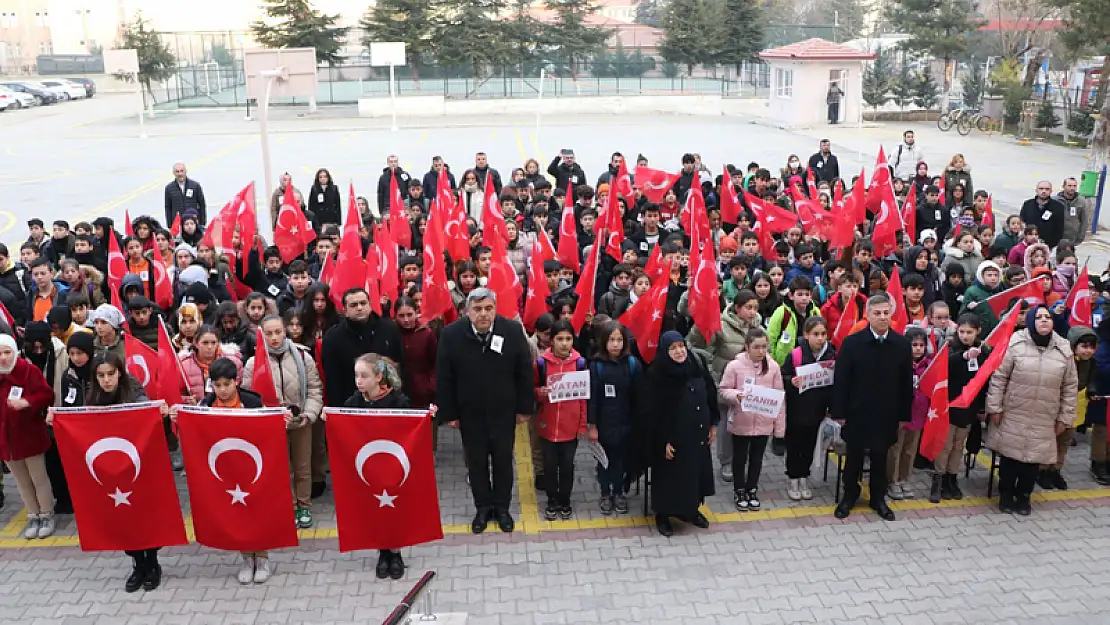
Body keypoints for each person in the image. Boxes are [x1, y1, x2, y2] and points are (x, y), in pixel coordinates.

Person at [437, 289, 533, 533]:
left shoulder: (511, 331)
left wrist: (524, 408)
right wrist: (450, 414)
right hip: (470, 415)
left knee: (503, 462)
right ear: (467, 311)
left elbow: (524, 372)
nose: (483, 314)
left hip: (504, 412)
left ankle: (502, 508)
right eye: (477, 309)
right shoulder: (451, 334)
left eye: (488, 308)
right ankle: (483, 507)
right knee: (476, 463)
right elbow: (445, 377)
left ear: (495, 309)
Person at [69, 352, 163, 591]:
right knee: (121, 518)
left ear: (120, 372)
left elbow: (147, 413)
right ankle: (137, 564)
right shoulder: (91, 399)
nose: (106, 380)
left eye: (111, 374)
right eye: (101, 375)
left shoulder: (134, 392)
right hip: (110, 472)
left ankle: (152, 563)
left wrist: (157, 411)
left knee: (143, 515)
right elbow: (79, 424)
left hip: (137, 467)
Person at [986, 304, 1077, 515]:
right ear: (1030, 322)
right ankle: (1006, 494)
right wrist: (994, 408)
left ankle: (1024, 496)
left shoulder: (1063, 349)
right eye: (1039, 317)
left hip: (1045, 415)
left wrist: (1065, 417)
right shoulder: (1015, 343)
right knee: (1010, 457)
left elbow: (1070, 387)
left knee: (1032, 461)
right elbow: (999, 378)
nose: (1044, 320)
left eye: (1048, 317)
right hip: (1014, 411)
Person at [193, 357, 276, 585]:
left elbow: (268, 431)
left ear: (236, 381)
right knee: (236, 513)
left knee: (256, 513)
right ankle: (246, 559)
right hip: (224, 471)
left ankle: (263, 558)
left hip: (251, 468)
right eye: (217, 385)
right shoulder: (205, 407)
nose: (222, 390)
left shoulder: (252, 403)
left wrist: (282, 419)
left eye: (226, 385)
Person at [831, 293, 913, 521]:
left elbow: (906, 383)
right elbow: (842, 380)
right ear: (867, 315)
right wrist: (839, 412)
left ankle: (878, 497)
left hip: (886, 414)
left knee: (880, 457)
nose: (882, 317)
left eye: (886, 313)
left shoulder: (901, 345)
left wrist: (904, 414)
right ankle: (849, 496)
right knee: (854, 457)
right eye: (877, 313)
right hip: (857, 412)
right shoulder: (852, 344)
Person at [243, 315, 324, 529]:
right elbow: (248, 397)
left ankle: (303, 505)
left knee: (302, 467)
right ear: (261, 335)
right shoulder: (254, 362)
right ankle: (285, 506)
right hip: (271, 428)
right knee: (278, 469)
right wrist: (265, 419)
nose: (274, 337)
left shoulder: (302, 356)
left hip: (300, 422)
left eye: (278, 332)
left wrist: (308, 414)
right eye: (268, 333)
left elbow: (315, 390)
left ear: (285, 330)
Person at [646, 331, 718, 536]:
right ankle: (663, 515)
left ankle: (691, 510)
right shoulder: (657, 375)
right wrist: (662, 442)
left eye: (681, 346)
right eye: (673, 348)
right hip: (672, 440)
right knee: (670, 478)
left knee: (694, 474)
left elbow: (710, 395)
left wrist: (713, 424)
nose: (679, 351)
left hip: (697, 434)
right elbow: (652, 413)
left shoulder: (696, 365)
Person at [719, 328, 785, 511]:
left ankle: (752, 488)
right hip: (742, 422)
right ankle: (739, 489)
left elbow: (779, 398)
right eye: (756, 347)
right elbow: (723, 390)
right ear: (747, 347)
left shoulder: (773, 368)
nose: (761, 351)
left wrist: (779, 429)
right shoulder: (734, 366)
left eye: (764, 347)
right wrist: (736, 395)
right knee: (739, 458)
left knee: (757, 459)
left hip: (763, 424)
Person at [0, 333, 57, 539]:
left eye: (7, 352)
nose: (4, 358)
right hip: (6, 440)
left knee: (38, 478)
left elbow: (47, 394)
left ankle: (47, 514)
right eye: (0, 354)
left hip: (29, 435)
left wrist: (28, 402)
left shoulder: (28, 371)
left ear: (15, 352)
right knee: (21, 481)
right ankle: (33, 514)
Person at [929, 314, 989, 503]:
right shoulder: (950, 348)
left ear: (977, 331)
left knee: (958, 445)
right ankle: (937, 479)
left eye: (969, 332)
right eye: (961, 332)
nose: (965, 336)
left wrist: (981, 408)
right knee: (945, 445)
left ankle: (951, 477)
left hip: (969, 406)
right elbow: (942, 367)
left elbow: (985, 379)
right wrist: (963, 357)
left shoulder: (983, 351)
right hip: (949, 405)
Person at [587, 322, 644, 515]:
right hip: (604, 423)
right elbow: (592, 397)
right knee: (603, 461)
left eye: (619, 340)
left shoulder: (632, 364)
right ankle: (605, 493)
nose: (615, 344)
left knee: (620, 460)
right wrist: (592, 425)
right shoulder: (596, 366)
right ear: (604, 342)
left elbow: (639, 397)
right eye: (611, 340)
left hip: (626, 423)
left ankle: (619, 492)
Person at [534, 320, 587, 520]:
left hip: (570, 427)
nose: (564, 343)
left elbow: (583, 396)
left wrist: (582, 424)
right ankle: (551, 500)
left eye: (568, 339)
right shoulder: (541, 363)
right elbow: (532, 389)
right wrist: (541, 392)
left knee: (567, 466)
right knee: (549, 466)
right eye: (560, 339)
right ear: (551, 341)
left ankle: (565, 500)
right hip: (547, 425)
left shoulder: (580, 363)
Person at [781, 317, 835, 501]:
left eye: (823, 334)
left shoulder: (830, 355)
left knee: (810, 444)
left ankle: (803, 476)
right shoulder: (796, 355)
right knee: (794, 444)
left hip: (817, 410)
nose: (820, 338)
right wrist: (791, 382)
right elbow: (783, 376)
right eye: (815, 334)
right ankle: (792, 477)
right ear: (806, 335)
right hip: (797, 409)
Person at [1019, 181, 1067, 249]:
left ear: (1051, 191)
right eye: (1041, 189)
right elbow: (1022, 223)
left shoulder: (1058, 207)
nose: (1044, 191)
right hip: (1028, 245)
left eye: (1047, 189)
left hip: (1048, 246)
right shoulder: (1027, 204)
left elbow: (1060, 228)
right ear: (1036, 190)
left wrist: (1053, 244)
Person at [165, 162, 207, 226]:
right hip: (177, 223)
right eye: (177, 171)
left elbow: (202, 205)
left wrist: (202, 222)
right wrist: (170, 224)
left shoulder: (195, 185)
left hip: (192, 222)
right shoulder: (169, 188)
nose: (180, 174)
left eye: (182, 171)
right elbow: (168, 207)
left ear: (186, 171)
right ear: (173, 173)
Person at [1057, 176, 1091, 244]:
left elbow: (1084, 221)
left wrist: (1080, 237)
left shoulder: (1082, 201)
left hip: (1072, 239)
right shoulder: (1055, 200)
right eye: (1069, 186)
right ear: (1063, 186)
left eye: (1074, 186)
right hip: (1057, 238)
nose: (1072, 188)